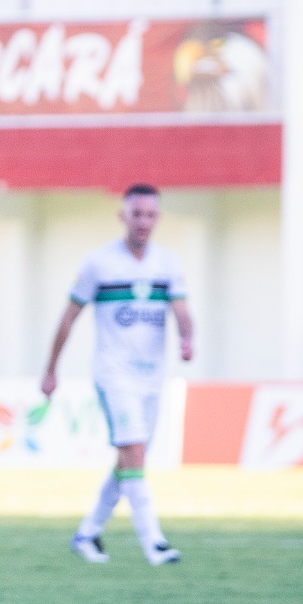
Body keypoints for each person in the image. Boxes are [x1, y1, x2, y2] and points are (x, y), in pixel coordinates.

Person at [41, 183, 193, 566]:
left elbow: (181, 310)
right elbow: (69, 316)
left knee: (131, 460)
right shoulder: (99, 264)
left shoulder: (168, 264)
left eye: (151, 215)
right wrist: (51, 369)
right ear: (123, 216)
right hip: (115, 376)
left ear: (157, 218)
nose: (144, 221)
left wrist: (188, 339)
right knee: (135, 453)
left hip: (152, 378)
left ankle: (88, 533)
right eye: (137, 214)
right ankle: (154, 543)